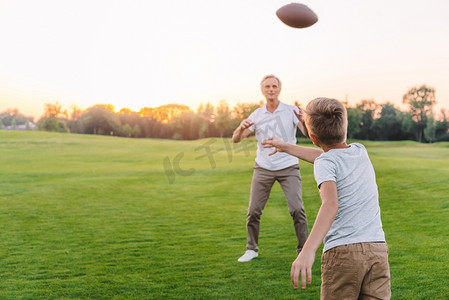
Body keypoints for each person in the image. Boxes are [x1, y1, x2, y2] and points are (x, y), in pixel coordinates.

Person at [262, 97, 391, 299]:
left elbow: (330, 204)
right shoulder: (360, 151)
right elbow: (324, 157)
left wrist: (307, 250)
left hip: (343, 253)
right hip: (378, 251)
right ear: (345, 124)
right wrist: (286, 146)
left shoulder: (326, 162)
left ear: (313, 138)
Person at [232, 74, 309, 262]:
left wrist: (305, 120)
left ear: (279, 89)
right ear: (262, 90)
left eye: (274, 86)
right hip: (263, 168)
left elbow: (308, 134)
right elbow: (236, 139)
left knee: (297, 209)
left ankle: (304, 250)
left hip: (288, 166)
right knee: (253, 211)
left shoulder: (291, 111)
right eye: (267, 86)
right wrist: (241, 128)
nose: (271, 89)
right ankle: (252, 249)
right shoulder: (257, 115)